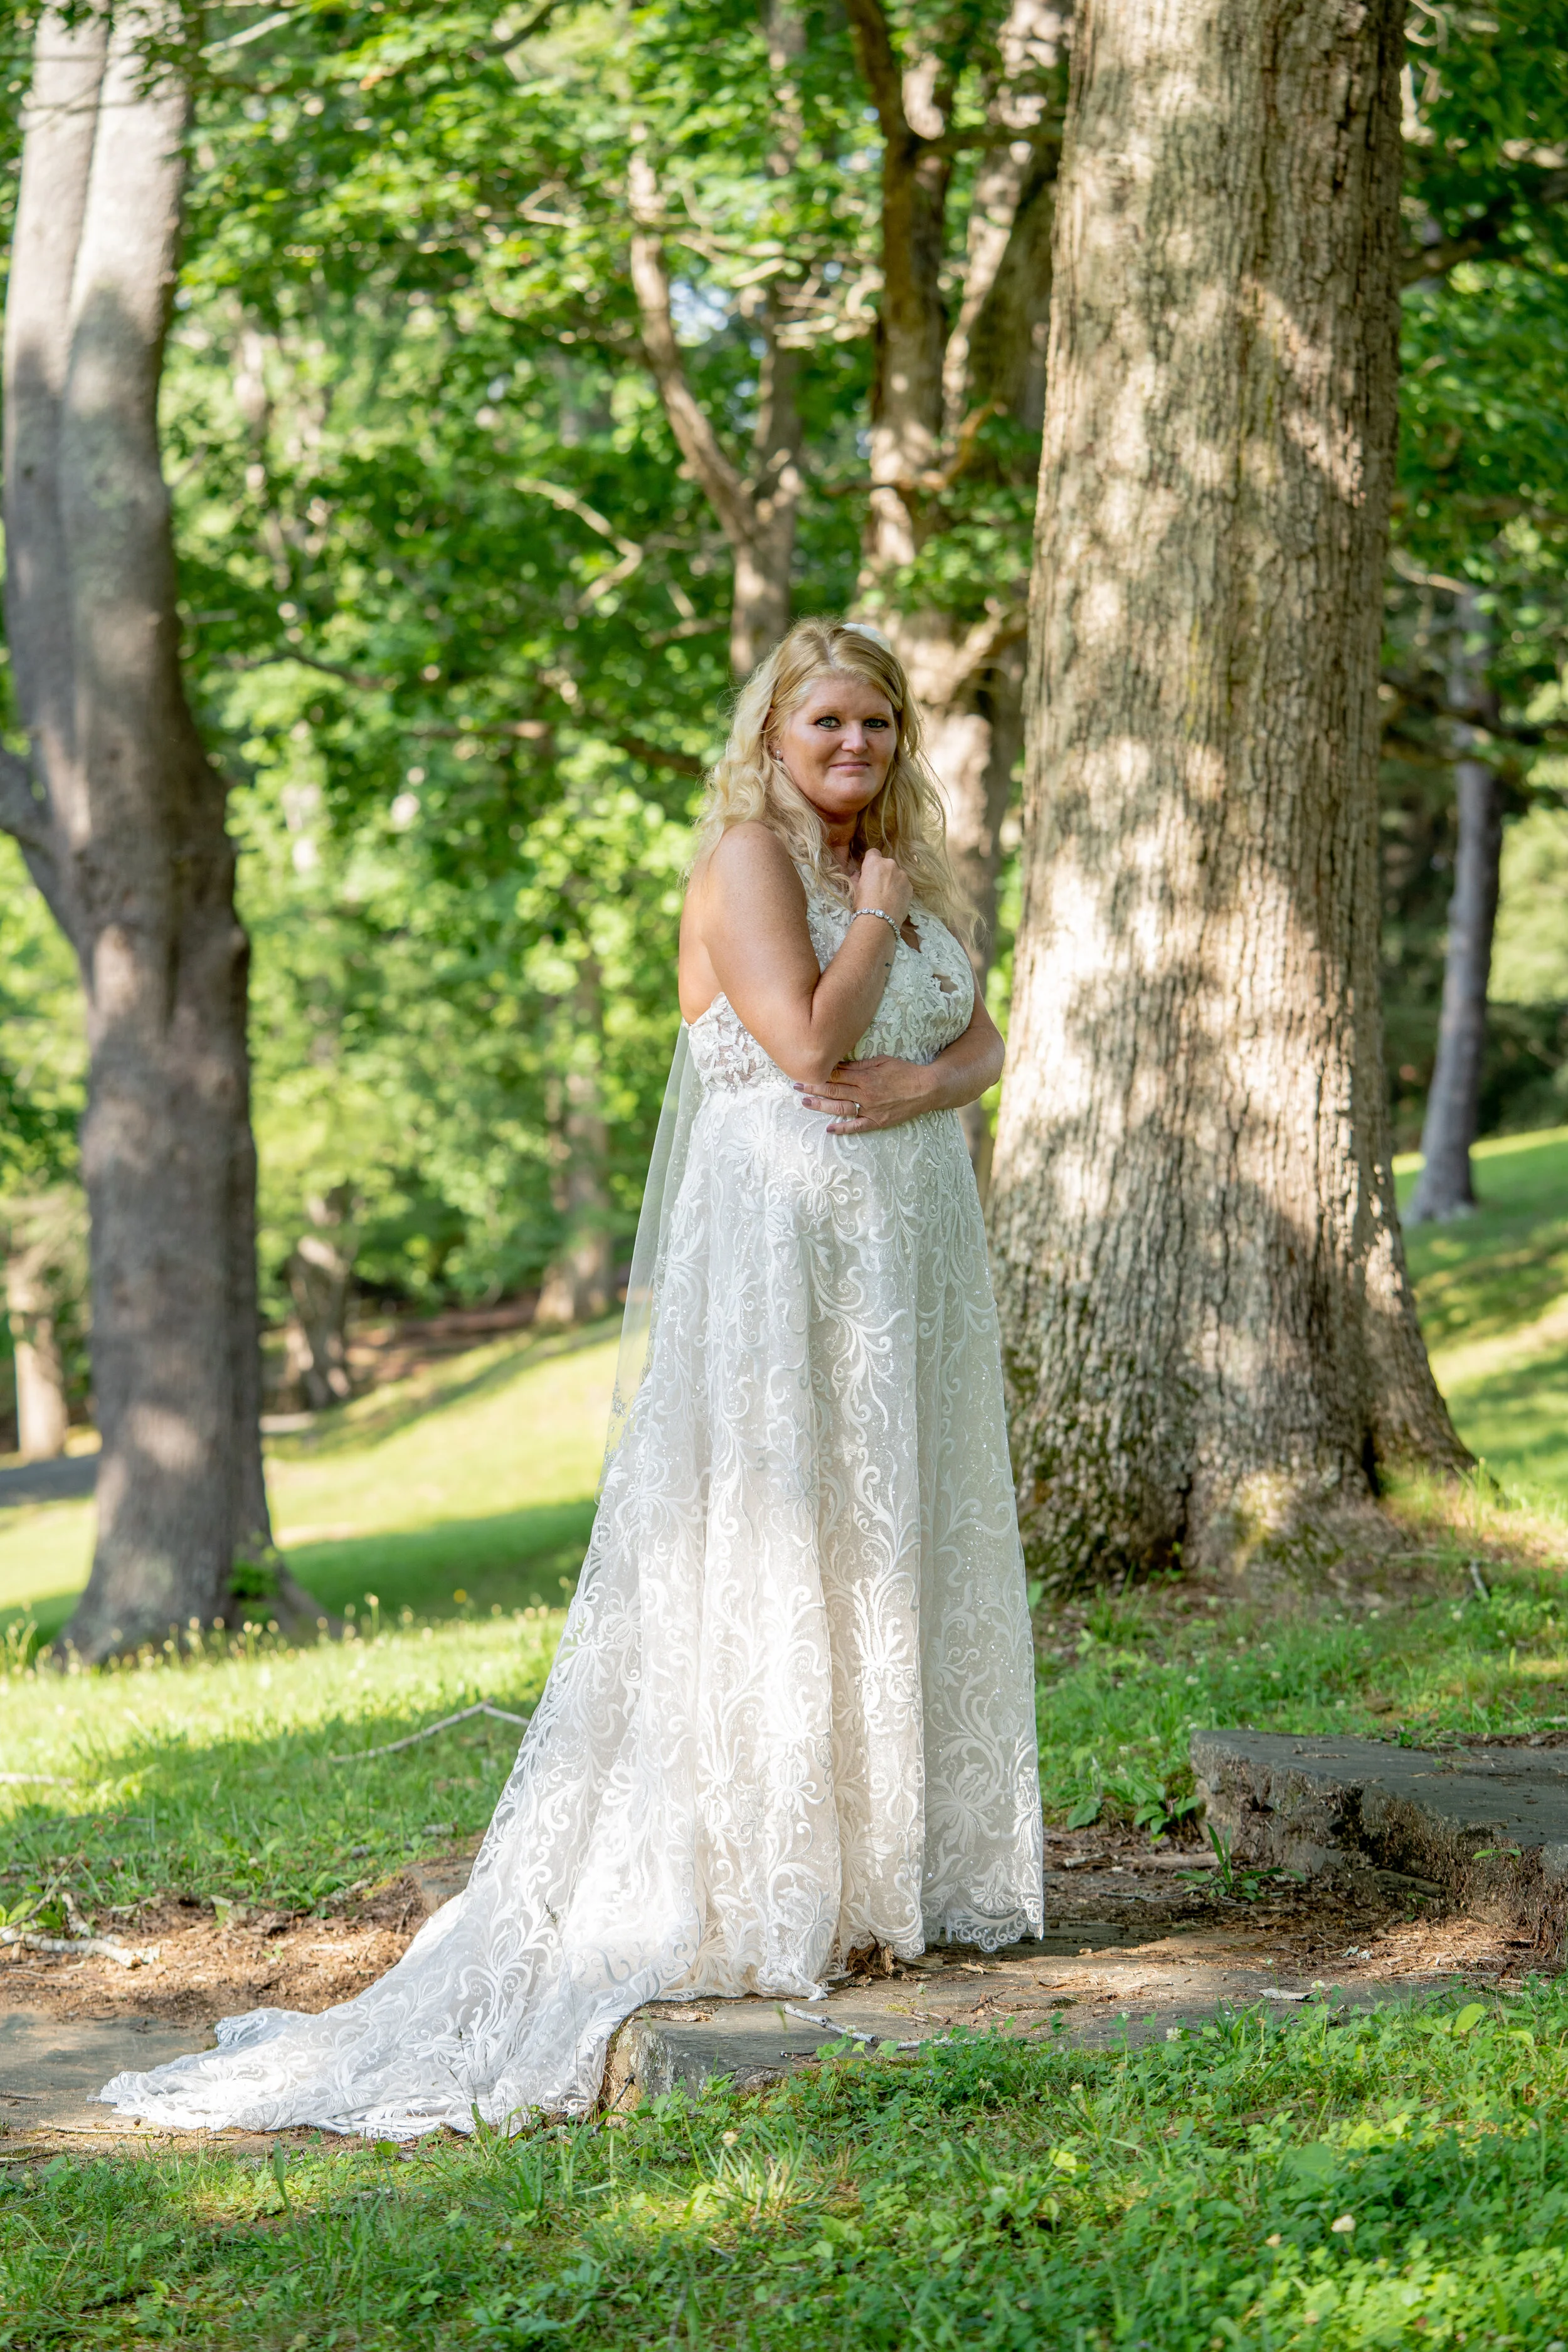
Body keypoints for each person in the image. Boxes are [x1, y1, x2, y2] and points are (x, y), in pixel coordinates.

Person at [97, 618, 1044, 2138]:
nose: (855, 748)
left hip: (904, 1267)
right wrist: (866, 924)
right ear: (770, 740)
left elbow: (975, 1034)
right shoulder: (754, 863)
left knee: (883, 1543)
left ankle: (878, 1880)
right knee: (780, 1538)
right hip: (783, 1255)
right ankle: (760, 1882)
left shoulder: (901, 866)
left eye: (875, 724)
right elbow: (806, 1045)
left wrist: (933, 1073)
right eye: (826, 726)